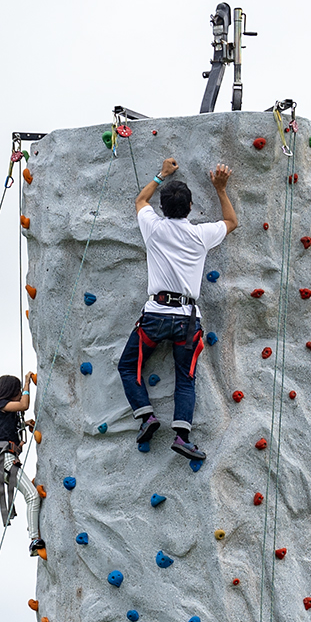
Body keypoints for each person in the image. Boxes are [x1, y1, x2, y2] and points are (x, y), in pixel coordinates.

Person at [117, 158, 238, 462]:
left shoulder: (153, 228)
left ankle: (146, 417)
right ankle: (182, 437)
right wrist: (220, 189)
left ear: (163, 207)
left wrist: (161, 174)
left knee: (128, 366)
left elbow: (140, 200)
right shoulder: (200, 235)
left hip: (156, 314)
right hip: (186, 319)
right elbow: (231, 222)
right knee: (185, 378)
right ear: (191, 206)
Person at [0, 372, 45, 556]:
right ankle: (34, 540)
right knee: (33, 496)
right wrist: (27, 384)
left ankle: (34, 537)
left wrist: (22, 424)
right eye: (17, 390)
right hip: (6, 459)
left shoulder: (2, 411)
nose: (19, 393)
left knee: (32, 496)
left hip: (7, 459)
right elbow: (24, 405)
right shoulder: (0, 404)